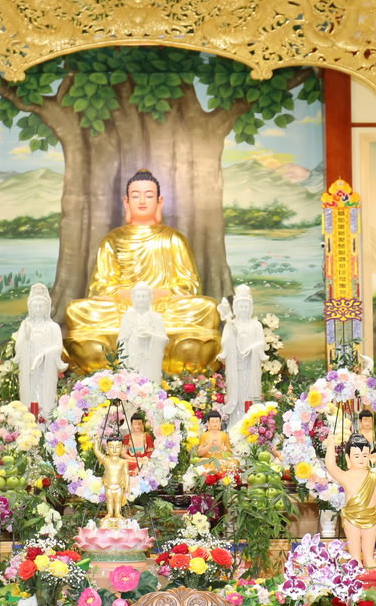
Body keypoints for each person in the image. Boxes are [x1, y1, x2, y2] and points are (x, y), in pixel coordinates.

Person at [63, 170, 221, 373]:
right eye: (136, 195)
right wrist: (127, 296)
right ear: (126, 201)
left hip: (164, 307)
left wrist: (157, 295)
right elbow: (100, 286)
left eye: (149, 195)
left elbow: (189, 285)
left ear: (159, 201)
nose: (143, 201)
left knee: (206, 308)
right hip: (122, 307)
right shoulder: (113, 239)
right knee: (77, 310)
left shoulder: (173, 238)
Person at [326, 433, 376, 571]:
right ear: (348, 458)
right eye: (356, 456)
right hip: (351, 517)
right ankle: (355, 562)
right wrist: (331, 444)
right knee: (354, 551)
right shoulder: (345, 476)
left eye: (365, 455)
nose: (361, 459)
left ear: (370, 456)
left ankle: (368, 560)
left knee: (369, 551)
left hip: (371, 517)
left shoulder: (374, 478)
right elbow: (331, 466)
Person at [15, 282, 64, 417]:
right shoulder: (25, 326)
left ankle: (47, 419)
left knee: (46, 397)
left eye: (41, 306)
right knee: (29, 396)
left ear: (47, 307)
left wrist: (43, 355)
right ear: (30, 307)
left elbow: (58, 347)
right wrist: (26, 337)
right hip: (29, 370)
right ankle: (28, 420)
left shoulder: (53, 327)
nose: (37, 309)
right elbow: (18, 348)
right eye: (35, 306)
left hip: (46, 369)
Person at [220, 284, 265, 423]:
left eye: (246, 306)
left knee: (251, 395)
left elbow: (261, 343)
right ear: (235, 308)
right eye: (241, 306)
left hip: (251, 368)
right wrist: (231, 337)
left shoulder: (256, 325)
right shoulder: (230, 325)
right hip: (236, 368)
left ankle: (251, 423)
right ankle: (235, 422)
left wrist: (252, 349)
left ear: (251, 308)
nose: (244, 309)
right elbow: (225, 343)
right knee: (237, 394)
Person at [117, 283, 168, 382]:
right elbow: (121, 341)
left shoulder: (156, 317)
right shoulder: (127, 317)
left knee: (149, 382)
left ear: (150, 298)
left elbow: (164, 339)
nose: (141, 299)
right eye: (138, 296)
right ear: (133, 298)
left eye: (144, 296)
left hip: (149, 360)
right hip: (132, 357)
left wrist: (151, 336)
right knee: (133, 381)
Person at [100, 437, 131, 522]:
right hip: (108, 486)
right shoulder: (105, 460)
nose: (114, 450)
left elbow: (126, 474)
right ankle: (109, 513)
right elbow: (97, 452)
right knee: (109, 500)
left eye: (117, 447)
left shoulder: (123, 462)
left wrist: (127, 484)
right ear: (107, 448)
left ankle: (117, 513)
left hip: (119, 486)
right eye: (111, 447)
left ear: (122, 448)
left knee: (118, 500)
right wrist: (96, 443)